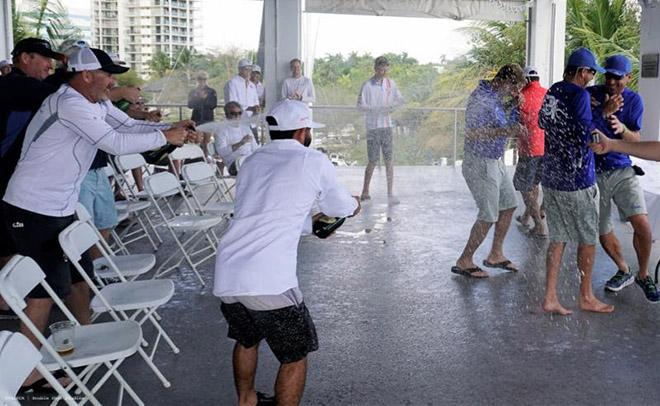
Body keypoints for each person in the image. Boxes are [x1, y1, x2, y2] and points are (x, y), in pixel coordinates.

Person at [2, 47, 189, 389]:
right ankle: (24, 374)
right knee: (44, 292)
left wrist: (170, 126)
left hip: (59, 205)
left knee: (79, 275)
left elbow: (129, 125)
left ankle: (81, 338)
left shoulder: (95, 102)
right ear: (85, 75)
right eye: (107, 74)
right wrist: (165, 136)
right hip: (31, 207)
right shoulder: (69, 103)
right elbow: (114, 142)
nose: (113, 81)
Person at [214, 99, 360, 405]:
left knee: (246, 339)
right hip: (269, 281)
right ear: (303, 131)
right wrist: (354, 205)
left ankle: (246, 400)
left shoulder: (253, 160)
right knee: (295, 355)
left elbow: (261, 213)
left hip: (229, 273)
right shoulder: (312, 159)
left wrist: (309, 224)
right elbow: (339, 207)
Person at [539, 47, 614, 315]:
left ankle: (550, 297)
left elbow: (542, 122)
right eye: (592, 72)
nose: (592, 78)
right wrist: (603, 114)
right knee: (588, 237)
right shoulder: (580, 94)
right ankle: (586, 296)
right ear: (582, 71)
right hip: (577, 179)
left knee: (557, 237)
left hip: (552, 177)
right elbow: (586, 134)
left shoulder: (554, 90)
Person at [587, 55, 658, 302]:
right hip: (593, 172)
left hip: (622, 169)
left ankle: (643, 273)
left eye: (618, 77)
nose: (613, 81)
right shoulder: (590, 93)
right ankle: (624, 269)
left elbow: (637, 140)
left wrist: (622, 129)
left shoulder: (634, 100)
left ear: (628, 77)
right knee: (602, 228)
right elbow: (581, 129)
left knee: (643, 225)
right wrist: (603, 112)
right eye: (609, 75)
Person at [451, 64, 526, 278]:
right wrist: (506, 131)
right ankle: (465, 260)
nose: (515, 94)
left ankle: (496, 254)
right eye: (514, 89)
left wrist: (513, 106)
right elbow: (472, 133)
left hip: (495, 160)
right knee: (488, 215)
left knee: (510, 205)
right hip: (480, 162)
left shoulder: (495, 97)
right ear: (503, 81)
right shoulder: (481, 97)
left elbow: (500, 122)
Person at [357, 56, 405, 204]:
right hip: (373, 127)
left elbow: (401, 101)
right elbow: (359, 106)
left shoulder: (391, 83)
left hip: (386, 127)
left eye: (385, 68)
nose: (383, 71)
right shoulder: (367, 85)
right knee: (372, 160)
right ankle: (365, 191)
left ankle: (390, 193)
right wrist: (375, 109)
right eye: (380, 68)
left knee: (389, 160)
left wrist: (393, 107)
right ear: (375, 68)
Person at [513, 66, 547, 237]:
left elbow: (513, 120)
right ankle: (527, 217)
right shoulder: (547, 93)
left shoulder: (521, 97)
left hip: (529, 148)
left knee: (522, 185)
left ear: (526, 80)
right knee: (534, 184)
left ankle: (539, 225)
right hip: (546, 147)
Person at [198, 101, 258, 176]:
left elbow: (255, 148)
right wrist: (240, 143)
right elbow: (222, 152)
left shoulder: (245, 127)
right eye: (233, 113)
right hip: (235, 164)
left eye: (239, 113)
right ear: (227, 115)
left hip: (250, 161)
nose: (237, 116)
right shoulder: (221, 130)